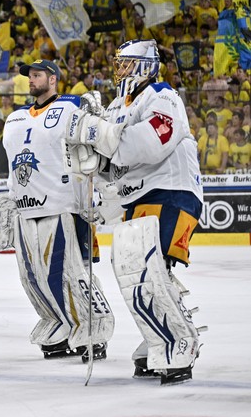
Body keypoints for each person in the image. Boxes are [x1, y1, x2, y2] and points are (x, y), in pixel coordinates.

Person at [64, 39, 203, 385]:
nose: (120, 69)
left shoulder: (162, 96)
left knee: (152, 268)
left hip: (172, 191)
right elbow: (111, 166)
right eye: (118, 62)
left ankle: (179, 339)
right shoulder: (115, 106)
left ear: (144, 66)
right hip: (137, 197)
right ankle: (159, 335)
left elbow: (150, 144)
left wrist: (99, 133)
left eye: (126, 63)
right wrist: (88, 148)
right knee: (133, 270)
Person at [0, 59, 114, 362]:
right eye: (29, 75)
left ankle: (93, 328)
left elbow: (98, 148)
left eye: (37, 75)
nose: (31, 79)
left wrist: (99, 191)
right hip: (26, 208)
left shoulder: (72, 106)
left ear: (53, 79)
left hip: (64, 205)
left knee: (71, 273)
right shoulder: (14, 118)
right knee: (32, 276)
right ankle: (60, 325)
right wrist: (11, 200)